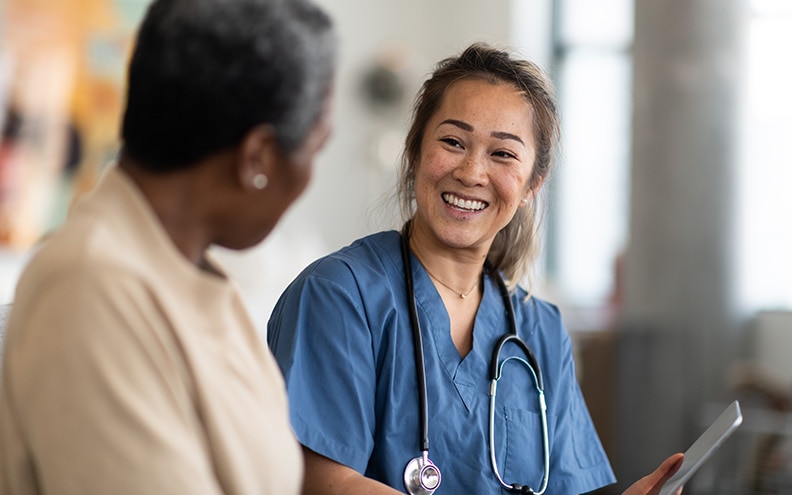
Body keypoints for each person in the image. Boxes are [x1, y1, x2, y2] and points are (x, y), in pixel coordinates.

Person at [267, 42, 683, 494]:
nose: (471, 172)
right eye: (452, 141)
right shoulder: (339, 295)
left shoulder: (539, 330)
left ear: (531, 185)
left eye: (502, 154)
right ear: (415, 153)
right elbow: (324, 482)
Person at [0, 0, 336, 493]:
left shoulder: (194, 276)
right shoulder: (90, 289)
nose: (311, 173)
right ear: (259, 158)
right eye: (316, 147)